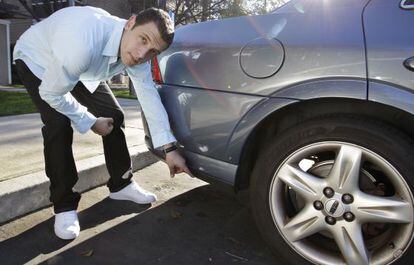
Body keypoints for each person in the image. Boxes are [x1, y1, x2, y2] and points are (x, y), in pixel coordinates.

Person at [13, 6, 191, 240]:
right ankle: (64, 204)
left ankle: (121, 185)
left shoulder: (138, 54)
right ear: (131, 23)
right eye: (143, 40)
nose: (141, 55)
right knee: (58, 123)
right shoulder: (83, 41)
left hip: (80, 67)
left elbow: (148, 95)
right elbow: (52, 93)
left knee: (114, 116)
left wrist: (169, 149)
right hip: (37, 60)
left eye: (152, 51)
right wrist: (90, 121)